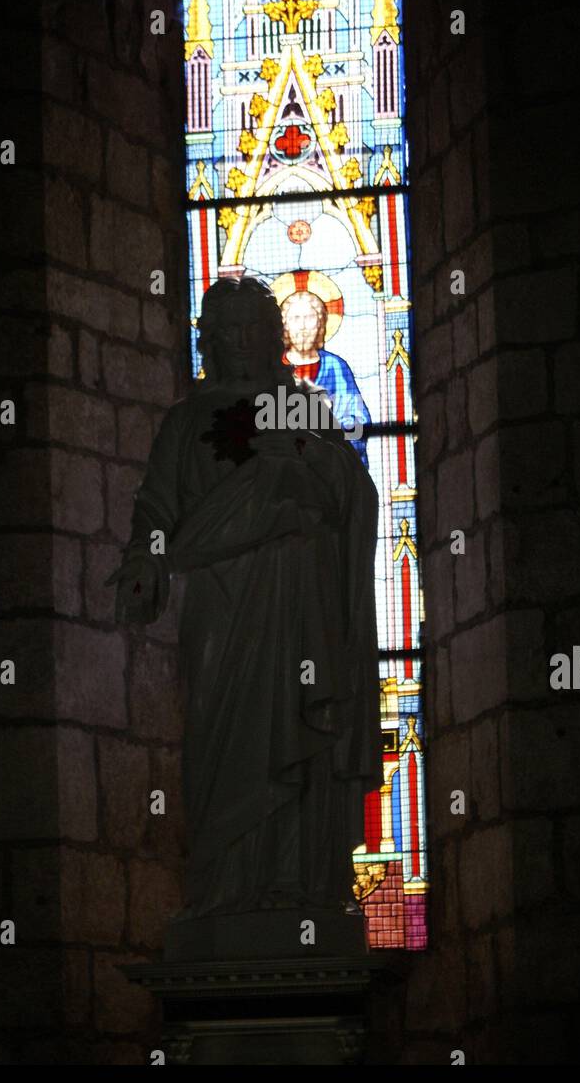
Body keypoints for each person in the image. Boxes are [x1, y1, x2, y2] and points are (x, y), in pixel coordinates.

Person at [107, 276, 383, 922]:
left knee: (297, 724)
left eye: (248, 327)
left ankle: (300, 886)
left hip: (297, 595)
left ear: (271, 335)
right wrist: (145, 558)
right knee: (221, 734)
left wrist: (309, 460)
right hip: (221, 601)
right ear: (207, 339)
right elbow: (158, 505)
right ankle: (224, 894)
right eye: (222, 329)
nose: (236, 341)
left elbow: (353, 496)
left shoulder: (305, 405)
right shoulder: (186, 419)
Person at [281, 289, 371, 466]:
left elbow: (356, 418)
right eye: (296, 318)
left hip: (329, 465)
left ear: (321, 324)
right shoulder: (272, 369)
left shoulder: (336, 367)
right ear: (285, 325)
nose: (303, 326)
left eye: (310, 317)